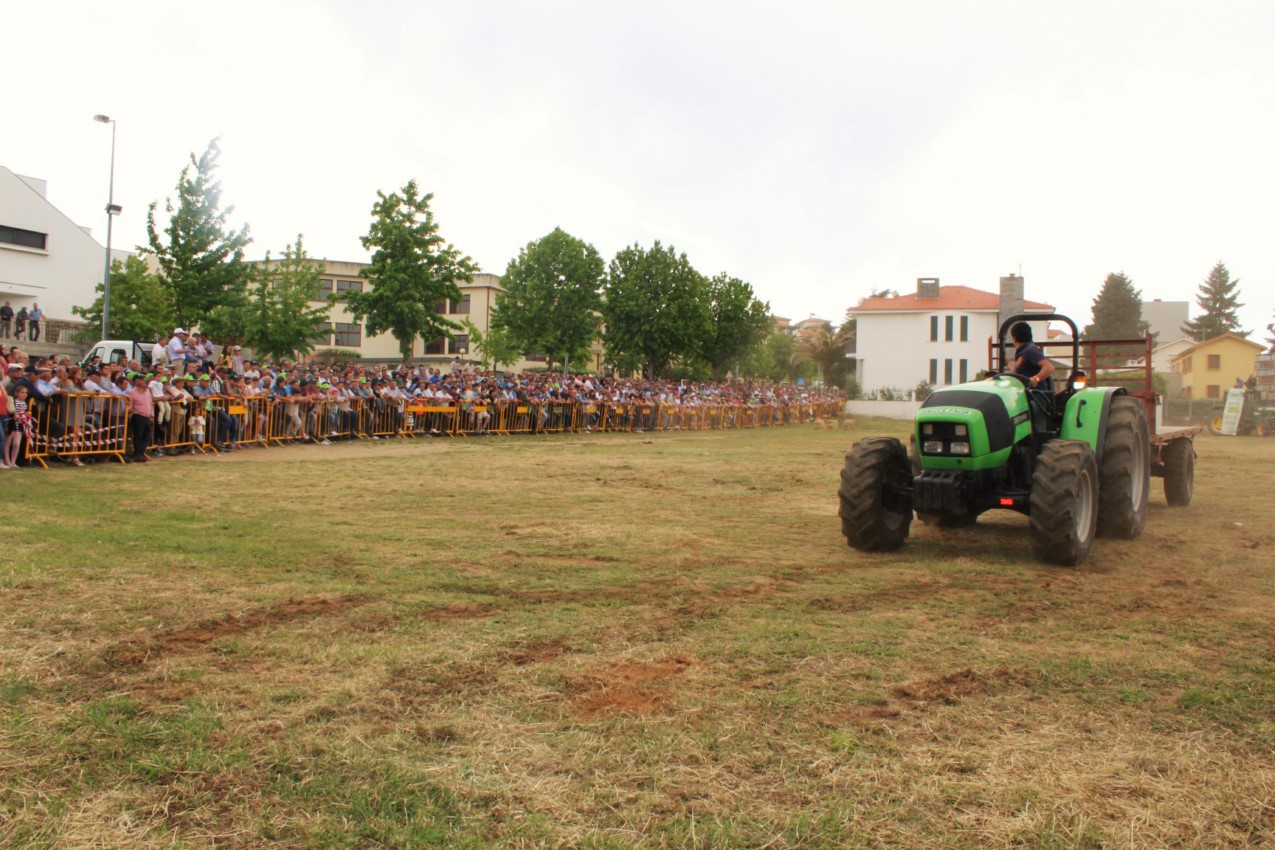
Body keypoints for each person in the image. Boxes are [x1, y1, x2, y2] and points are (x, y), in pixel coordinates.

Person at [1009, 321, 1054, 391]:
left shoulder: (1030, 350)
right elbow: (1018, 372)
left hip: (1035, 396)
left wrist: (1036, 379)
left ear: (1014, 338)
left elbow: (1049, 367)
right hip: (1024, 393)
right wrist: (1007, 361)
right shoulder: (1022, 352)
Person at [126, 373, 154, 462]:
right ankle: (137, 454)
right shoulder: (132, 392)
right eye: (141, 379)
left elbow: (150, 403)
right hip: (138, 415)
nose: (143, 381)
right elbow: (130, 405)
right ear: (136, 382)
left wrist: (152, 415)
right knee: (138, 436)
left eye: (143, 379)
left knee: (148, 436)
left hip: (147, 416)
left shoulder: (147, 391)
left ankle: (141, 452)